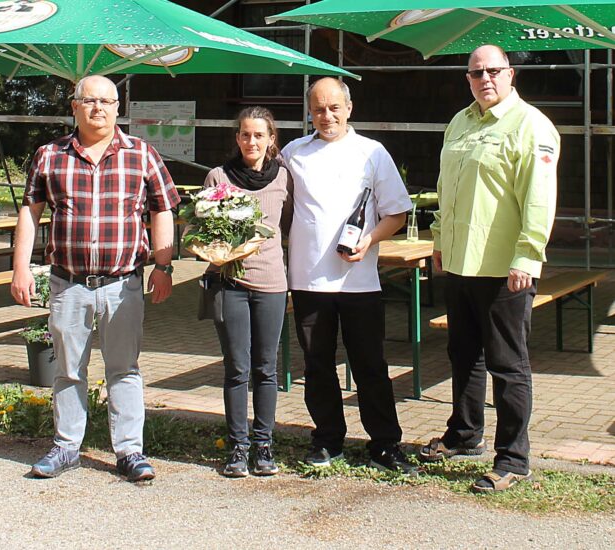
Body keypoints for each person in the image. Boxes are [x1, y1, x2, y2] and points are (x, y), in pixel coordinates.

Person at [11, 74, 180, 481]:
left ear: (118, 108)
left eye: (106, 101)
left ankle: (130, 451)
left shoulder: (142, 154)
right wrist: (20, 267)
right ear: (74, 106)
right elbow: (30, 214)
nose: (98, 108)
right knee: (68, 370)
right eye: (89, 100)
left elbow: (163, 210)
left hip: (123, 285)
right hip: (68, 284)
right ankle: (66, 447)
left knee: (124, 369)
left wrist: (163, 266)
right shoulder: (49, 155)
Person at [424, 45, 559, 493]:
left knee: (507, 364)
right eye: (476, 72)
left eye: (493, 71)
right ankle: (465, 435)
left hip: (504, 267)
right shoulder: (459, 123)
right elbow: (446, 188)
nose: (485, 78)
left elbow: (538, 199)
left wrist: (528, 255)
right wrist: (439, 239)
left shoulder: (530, 125)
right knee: (463, 355)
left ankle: (513, 459)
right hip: (461, 260)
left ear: (510, 74)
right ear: (467, 78)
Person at [282, 77, 416, 474]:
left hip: (360, 282)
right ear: (310, 112)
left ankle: (385, 444)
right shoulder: (293, 153)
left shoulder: (371, 152)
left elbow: (397, 212)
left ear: (349, 109)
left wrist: (369, 239)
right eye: (319, 109)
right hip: (308, 280)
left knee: (370, 365)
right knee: (317, 365)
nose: (327, 116)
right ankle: (327, 440)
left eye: (334, 108)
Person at [202, 106, 293, 478]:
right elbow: (202, 230)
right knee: (237, 368)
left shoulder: (284, 178)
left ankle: (264, 445)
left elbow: (289, 226)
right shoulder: (218, 177)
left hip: (271, 285)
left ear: (271, 139)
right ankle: (237, 448)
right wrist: (220, 252)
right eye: (245, 134)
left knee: (266, 369)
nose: (251, 141)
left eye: (259, 135)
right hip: (230, 284)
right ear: (236, 138)